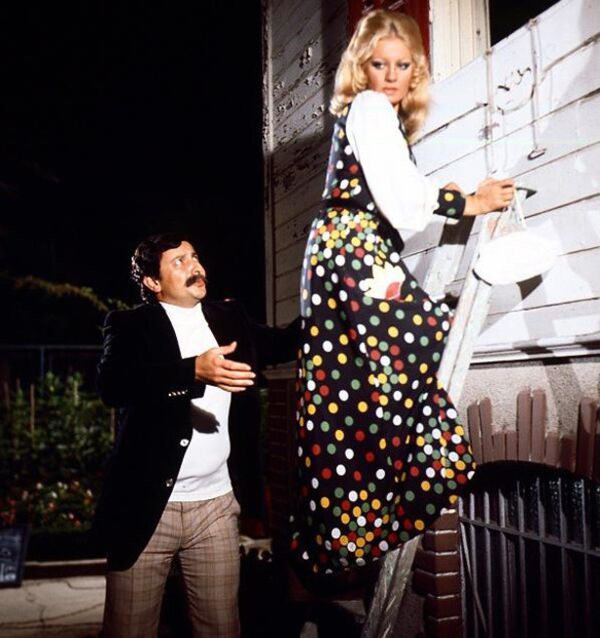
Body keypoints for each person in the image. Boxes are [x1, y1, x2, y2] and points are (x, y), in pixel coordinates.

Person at [291, 9, 515, 576]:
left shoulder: (375, 119)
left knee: (351, 390)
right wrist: (468, 203)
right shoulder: (369, 108)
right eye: (379, 64)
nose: (390, 76)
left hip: (345, 249)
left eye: (403, 65)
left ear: (416, 71)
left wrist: (433, 194)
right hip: (352, 248)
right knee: (425, 337)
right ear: (361, 68)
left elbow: (396, 191)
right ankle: (419, 476)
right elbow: (400, 199)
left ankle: (352, 526)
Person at [93, 233, 298, 637]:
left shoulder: (229, 317)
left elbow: (283, 343)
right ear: (153, 282)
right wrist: (193, 372)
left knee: (221, 628)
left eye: (195, 257)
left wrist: (336, 303)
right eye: (179, 261)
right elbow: (112, 385)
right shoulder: (132, 325)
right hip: (148, 508)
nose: (195, 266)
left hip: (215, 507)